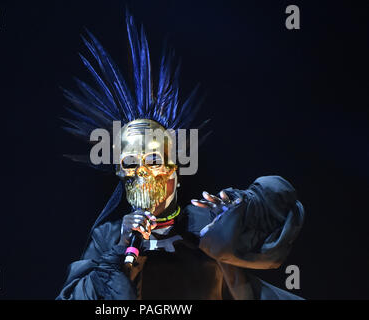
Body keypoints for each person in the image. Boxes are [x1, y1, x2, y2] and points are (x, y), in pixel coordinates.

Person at [56, 11, 305, 300]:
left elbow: (279, 207)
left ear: (174, 168)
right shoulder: (109, 237)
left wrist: (242, 207)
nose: (142, 173)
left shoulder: (206, 227)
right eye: (131, 163)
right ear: (120, 172)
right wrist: (120, 252)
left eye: (153, 160)